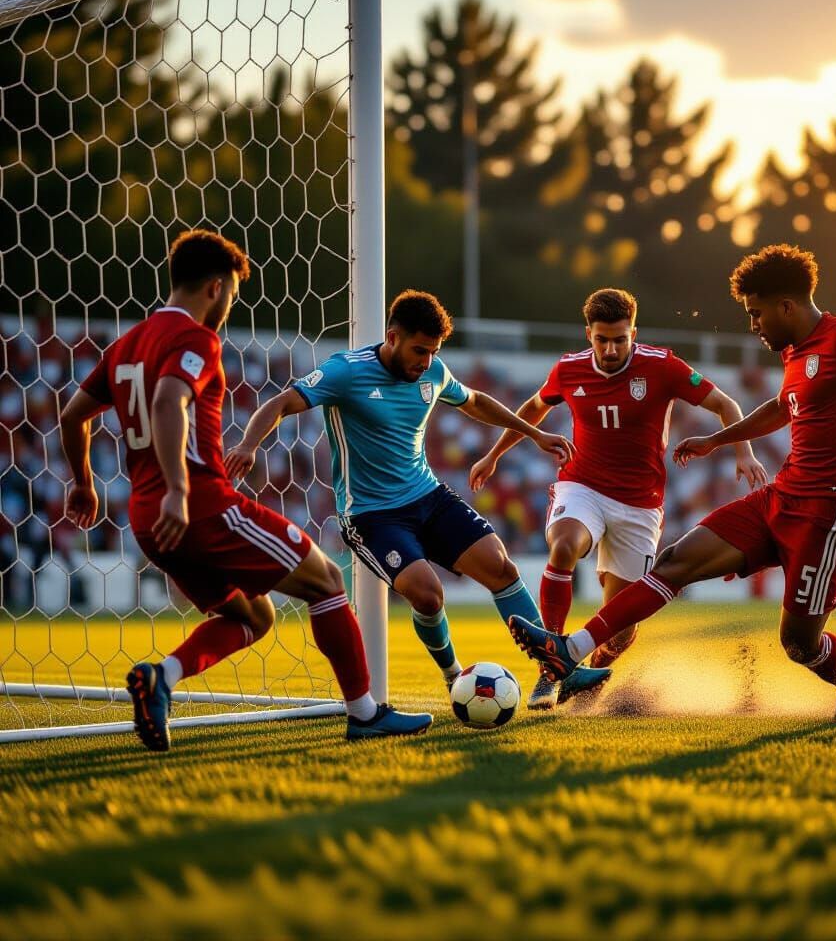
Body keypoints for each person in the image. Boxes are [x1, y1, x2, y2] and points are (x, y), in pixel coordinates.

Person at [509, 244, 836, 720]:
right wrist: (717, 440)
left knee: (799, 645)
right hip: (783, 496)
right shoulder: (796, 352)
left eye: (756, 313)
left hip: (833, 511)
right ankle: (569, 650)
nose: (752, 325)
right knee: (675, 562)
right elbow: (779, 409)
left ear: (786, 306)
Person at [59, 229, 432, 751]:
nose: (230, 305)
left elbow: (74, 413)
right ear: (215, 287)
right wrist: (178, 489)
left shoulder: (124, 346)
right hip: (201, 507)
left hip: (147, 520)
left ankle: (160, 678)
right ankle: (366, 714)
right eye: (232, 293)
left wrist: (83, 481)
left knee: (254, 615)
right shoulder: (195, 338)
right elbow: (169, 402)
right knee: (325, 580)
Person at [225, 290, 611, 704]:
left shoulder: (433, 372)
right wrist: (249, 445)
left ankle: (554, 671)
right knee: (427, 594)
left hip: (428, 496)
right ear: (392, 337)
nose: (426, 361)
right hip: (372, 515)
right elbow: (283, 403)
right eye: (419, 350)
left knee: (501, 567)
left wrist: (533, 433)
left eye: (433, 352)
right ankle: (452, 677)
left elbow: (475, 401)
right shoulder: (346, 372)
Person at [470, 287, 767, 709]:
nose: (610, 349)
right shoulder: (568, 370)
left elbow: (726, 403)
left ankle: (587, 684)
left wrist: (743, 450)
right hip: (583, 486)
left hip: (640, 505)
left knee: (623, 630)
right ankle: (549, 669)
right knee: (563, 546)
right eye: (601, 339)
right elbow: (533, 408)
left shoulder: (662, 366)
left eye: (620, 339)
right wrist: (493, 455)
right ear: (587, 334)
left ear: (634, 333)